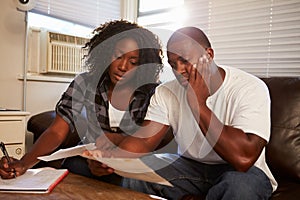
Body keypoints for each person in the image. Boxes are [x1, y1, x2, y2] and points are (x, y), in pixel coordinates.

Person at [90, 26, 277, 199]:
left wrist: (199, 105)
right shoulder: (166, 92)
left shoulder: (249, 87)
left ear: (209, 55)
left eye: (184, 60)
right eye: (173, 64)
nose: (179, 70)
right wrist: (110, 161)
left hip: (242, 173)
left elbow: (243, 158)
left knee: (240, 187)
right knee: (137, 173)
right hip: (189, 168)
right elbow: (144, 141)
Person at [0, 19, 166, 185]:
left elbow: (147, 143)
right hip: (88, 160)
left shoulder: (152, 93)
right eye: (118, 56)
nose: (123, 66)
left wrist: (115, 149)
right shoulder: (85, 83)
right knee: (72, 168)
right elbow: (57, 131)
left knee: (130, 179)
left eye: (133, 62)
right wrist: (23, 163)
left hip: (131, 163)